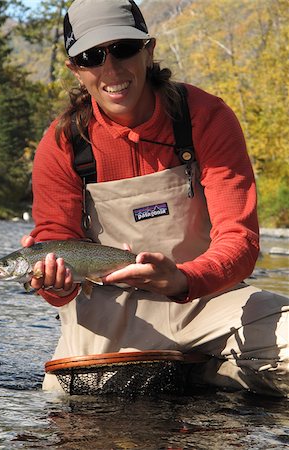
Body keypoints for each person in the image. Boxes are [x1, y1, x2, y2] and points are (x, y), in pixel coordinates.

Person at [22, 0, 289, 396]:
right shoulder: (62, 144)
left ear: (149, 51)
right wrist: (55, 286)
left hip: (210, 297)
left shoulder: (205, 116)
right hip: (111, 310)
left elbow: (241, 241)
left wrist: (182, 278)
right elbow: (56, 256)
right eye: (92, 56)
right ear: (75, 68)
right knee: (66, 396)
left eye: (124, 49)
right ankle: (215, 374)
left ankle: (209, 371)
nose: (111, 69)